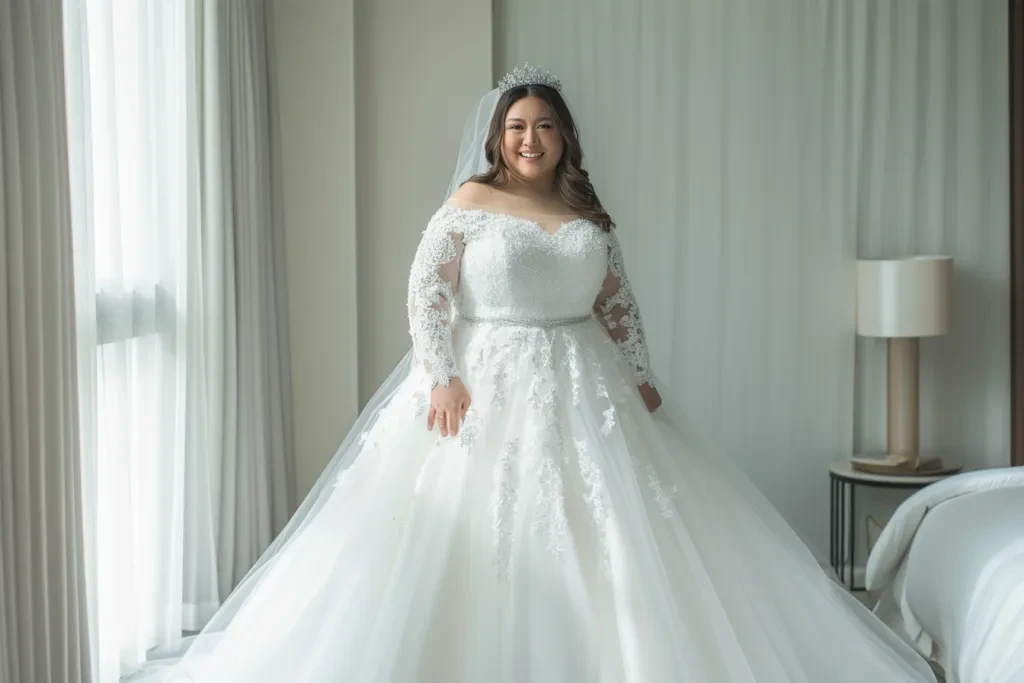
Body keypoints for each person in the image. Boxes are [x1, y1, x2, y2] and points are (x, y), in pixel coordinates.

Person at [132, 64, 937, 682]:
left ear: (565, 138)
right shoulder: (473, 197)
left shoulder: (586, 210)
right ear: (496, 135)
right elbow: (425, 284)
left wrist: (642, 372)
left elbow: (619, 298)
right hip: (485, 381)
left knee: (622, 533)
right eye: (517, 125)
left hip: (587, 380)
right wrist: (441, 373)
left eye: (545, 126)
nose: (529, 138)